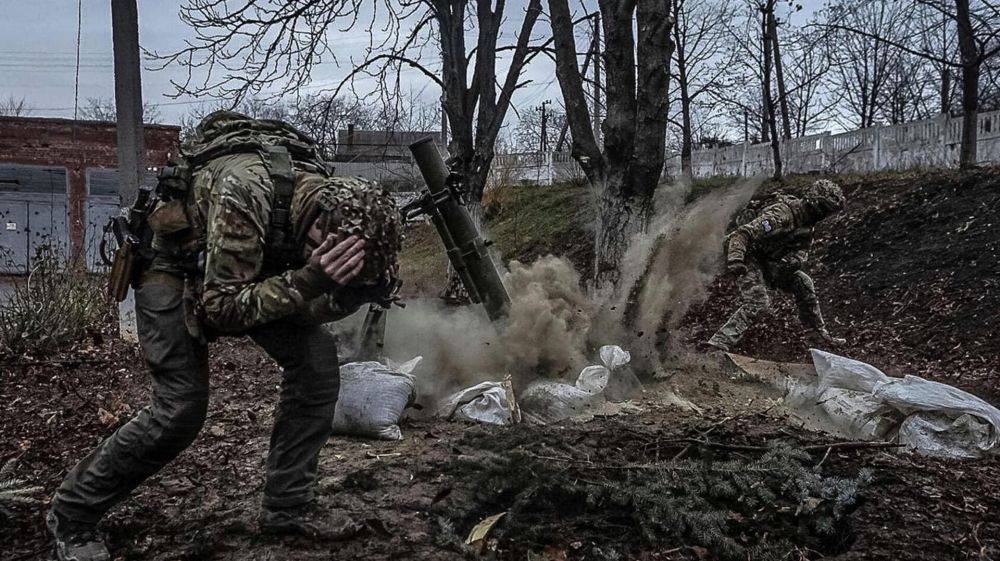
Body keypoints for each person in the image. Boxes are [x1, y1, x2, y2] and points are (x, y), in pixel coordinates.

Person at [46, 111, 403, 561]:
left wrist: (352, 293)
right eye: (336, 264)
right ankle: (72, 514)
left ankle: (286, 507)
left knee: (316, 367)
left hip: (248, 272)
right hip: (173, 267)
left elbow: (305, 304)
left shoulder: (338, 204)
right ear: (317, 233)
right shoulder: (246, 191)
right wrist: (310, 280)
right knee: (180, 408)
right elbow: (224, 308)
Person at [704, 179, 847, 353]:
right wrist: (736, 260)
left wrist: (794, 262)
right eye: (825, 209)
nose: (825, 215)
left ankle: (817, 335)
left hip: (768, 260)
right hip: (746, 253)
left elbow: (802, 250)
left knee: (803, 282)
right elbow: (742, 234)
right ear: (814, 203)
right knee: (758, 301)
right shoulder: (781, 215)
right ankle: (717, 345)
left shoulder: (807, 224)